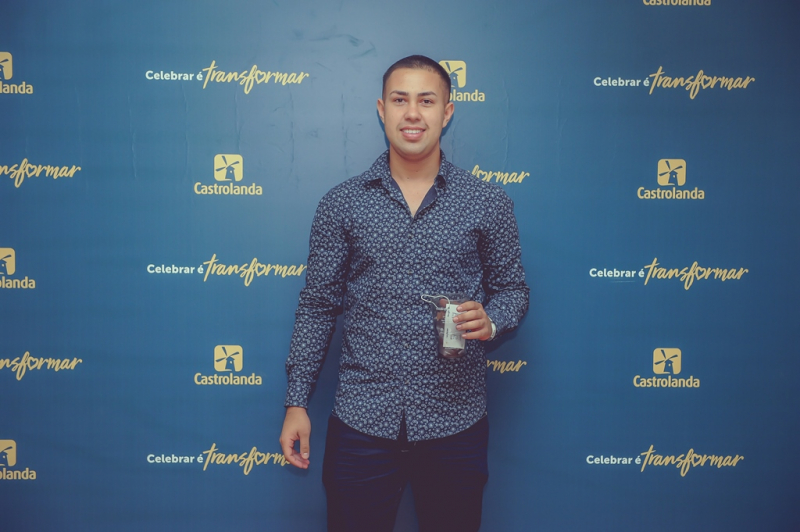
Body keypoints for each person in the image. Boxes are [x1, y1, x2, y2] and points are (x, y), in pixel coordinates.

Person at [280, 55, 529, 532]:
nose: (412, 113)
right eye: (400, 99)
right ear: (382, 109)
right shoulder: (342, 203)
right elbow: (317, 306)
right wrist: (297, 401)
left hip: (455, 421)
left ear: (447, 112)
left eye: (426, 101)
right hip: (362, 420)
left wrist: (492, 320)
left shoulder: (487, 202)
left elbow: (512, 289)